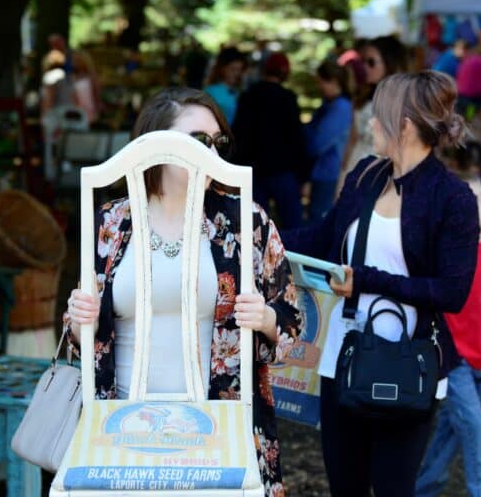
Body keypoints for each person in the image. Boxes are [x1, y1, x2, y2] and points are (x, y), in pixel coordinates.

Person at [64, 87, 303, 495]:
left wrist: (264, 319)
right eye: (198, 141)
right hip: (121, 427)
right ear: (156, 144)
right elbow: (80, 344)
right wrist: (77, 321)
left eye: (218, 142)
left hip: (218, 431)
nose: (211, 152)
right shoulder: (111, 221)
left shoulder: (247, 221)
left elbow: (292, 326)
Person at [282, 71, 479, 497]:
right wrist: (258, 233)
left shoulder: (451, 197)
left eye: (377, 115)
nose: (370, 123)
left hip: (410, 365)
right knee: (345, 487)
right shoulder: (366, 176)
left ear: (403, 124)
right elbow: (322, 237)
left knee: (392, 488)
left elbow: (452, 292)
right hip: (344, 357)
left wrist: (368, 282)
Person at [415, 177, 481, 497]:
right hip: (453, 360)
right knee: (474, 430)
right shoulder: (447, 253)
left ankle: (422, 489)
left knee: (451, 434)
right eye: (476, 198)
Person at [233, 52, 307, 229]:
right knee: (293, 226)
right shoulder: (288, 98)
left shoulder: (249, 96)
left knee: (255, 229)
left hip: (254, 170)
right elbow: (296, 138)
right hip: (282, 170)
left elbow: (239, 134)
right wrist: (302, 174)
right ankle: (293, 257)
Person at [339, 35, 408, 189]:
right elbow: (352, 140)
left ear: (389, 63)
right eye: (362, 61)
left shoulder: (404, 100)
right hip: (356, 166)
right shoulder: (361, 97)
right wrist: (343, 178)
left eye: (371, 62)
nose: (365, 67)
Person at [304, 59, 354, 223]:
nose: (320, 87)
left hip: (329, 173)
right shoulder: (329, 104)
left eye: (322, 82)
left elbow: (318, 142)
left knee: (319, 220)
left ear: (333, 81)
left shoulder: (340, 107)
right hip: (322, 172)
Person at [204, 46, 247, 125]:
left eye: (239, 70)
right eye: (232, 69)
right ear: (222, 69)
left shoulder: (239, 91)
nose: (236, 74)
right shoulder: (211, 91)